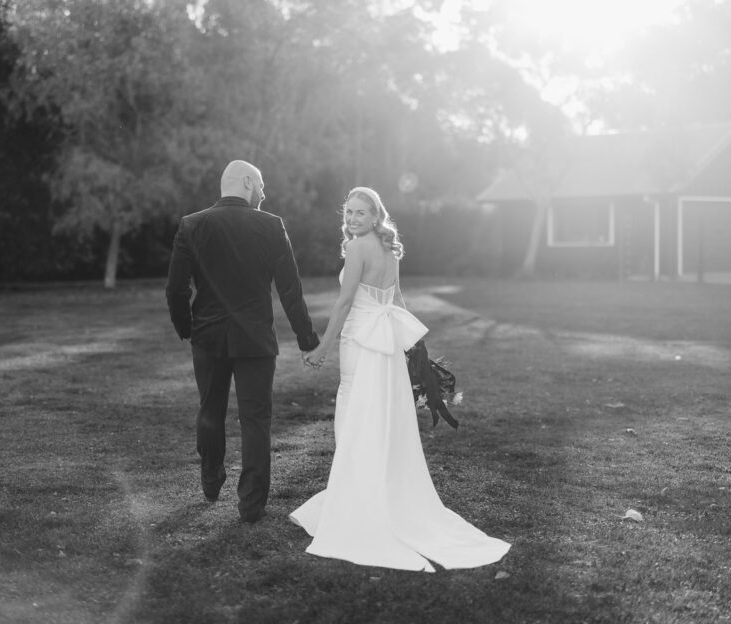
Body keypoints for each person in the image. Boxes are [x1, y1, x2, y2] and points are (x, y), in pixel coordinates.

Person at [292, 186, 510, 571]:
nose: (353, 219)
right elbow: (398, 300)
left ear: (376, 217)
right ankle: (372, 492)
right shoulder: (389, 249)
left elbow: (345, 302)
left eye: (361, 213)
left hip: (361, 340)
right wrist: (413, 346)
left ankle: (357, 501)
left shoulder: (359, 247)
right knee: (379, 417)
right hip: (385, 341)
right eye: (350, 213)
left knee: (357, 414)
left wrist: (323, 345)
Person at [166, 160, 320, 523]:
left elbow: (175, 288)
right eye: (262, 186)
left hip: (208, 337)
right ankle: (251, 504)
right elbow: (290, 291)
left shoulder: (192, 225)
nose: (265, 194)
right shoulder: (271, 226)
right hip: (255, 341)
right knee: (256, 420)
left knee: (210, 410)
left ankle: (210, 477)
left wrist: (186, 327)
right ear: (248, 182)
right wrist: (306, 338)